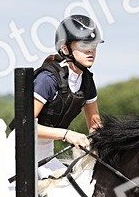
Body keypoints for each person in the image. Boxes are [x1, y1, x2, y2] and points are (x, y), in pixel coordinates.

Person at [32, 14, 103, 177]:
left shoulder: (86, 81)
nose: (91, 49)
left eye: (94, 44)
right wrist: (67, 134)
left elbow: (95, 126)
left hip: (46, 156)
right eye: (84, 44)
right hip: (20, 154)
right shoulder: (47, 79)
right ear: (65, 49)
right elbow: (25, 126)